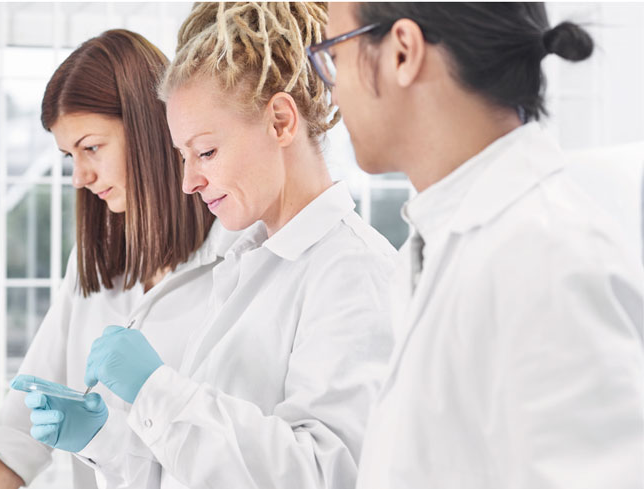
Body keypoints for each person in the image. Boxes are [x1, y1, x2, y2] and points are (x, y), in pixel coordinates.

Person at [25, 3, 396, 488]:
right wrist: (105, 440)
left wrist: (155, 390)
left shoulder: (353, 272)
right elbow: (199, 468)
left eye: (205, 151)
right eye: (183, 156)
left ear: (280, 122)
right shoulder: (246, 265)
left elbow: (324, 474)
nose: (188, 182)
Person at [314, 3, 644, 488]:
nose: (332, 88)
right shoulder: (441, 243)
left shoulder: (545, 259)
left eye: (335, 55)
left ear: (403, 52)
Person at [0, 29, 236, 489]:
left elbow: (234, 457)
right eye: (69, 156)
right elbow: (20, 426)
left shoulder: (236, 259)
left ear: (151, 129)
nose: (79, 176)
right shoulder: (95, 260)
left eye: (91, 147)